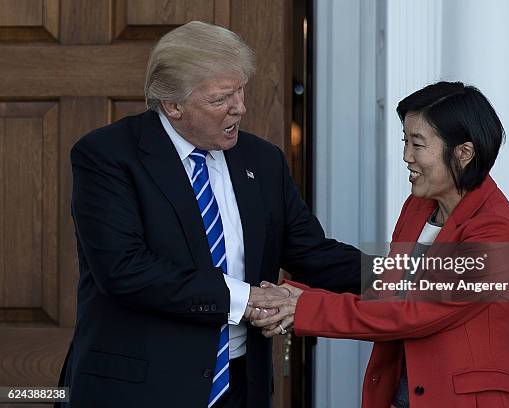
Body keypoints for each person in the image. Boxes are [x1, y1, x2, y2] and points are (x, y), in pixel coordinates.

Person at [57, 21, 367, 408]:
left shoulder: (262, 159)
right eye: (221, 98)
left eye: (240, 90)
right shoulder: (108, 155)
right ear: (173, 105)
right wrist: (246, 298)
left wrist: (411, 276)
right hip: (139, 389)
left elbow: (310, 252)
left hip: (240, 386)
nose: (241, 107)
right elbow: (124, 270)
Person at [252, 82, 509, 407]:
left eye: (417, 144)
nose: (406, 157)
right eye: (405, 141)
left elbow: (412, 310)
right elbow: (390, 292)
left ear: (463, 153)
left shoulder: (496, 230)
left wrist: (304, 307)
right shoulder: (418, 207)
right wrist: (303, 296)